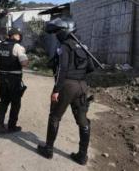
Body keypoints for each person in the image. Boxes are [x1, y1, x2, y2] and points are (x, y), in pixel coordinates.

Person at [37, 18, 95, 165]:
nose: (56, 34)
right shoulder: (83, 46)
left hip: (66, 86)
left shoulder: (65, 46)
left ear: (65, 31)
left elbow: (62, 70)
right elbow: (91, 68)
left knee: (55, 117)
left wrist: (56, 90)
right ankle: (82, 156)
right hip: (82, 86)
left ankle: (48, 150)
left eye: (58, 31)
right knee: (83, 121)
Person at [0, 28, 29, 133]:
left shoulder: (0, 45)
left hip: (2, 78)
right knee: (15, 103)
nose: (19, 37)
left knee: (4, 101)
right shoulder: (17, 47)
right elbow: (24, 63)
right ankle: (11, 126)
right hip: (13, 79)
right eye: (18, 35)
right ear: (14, 35)